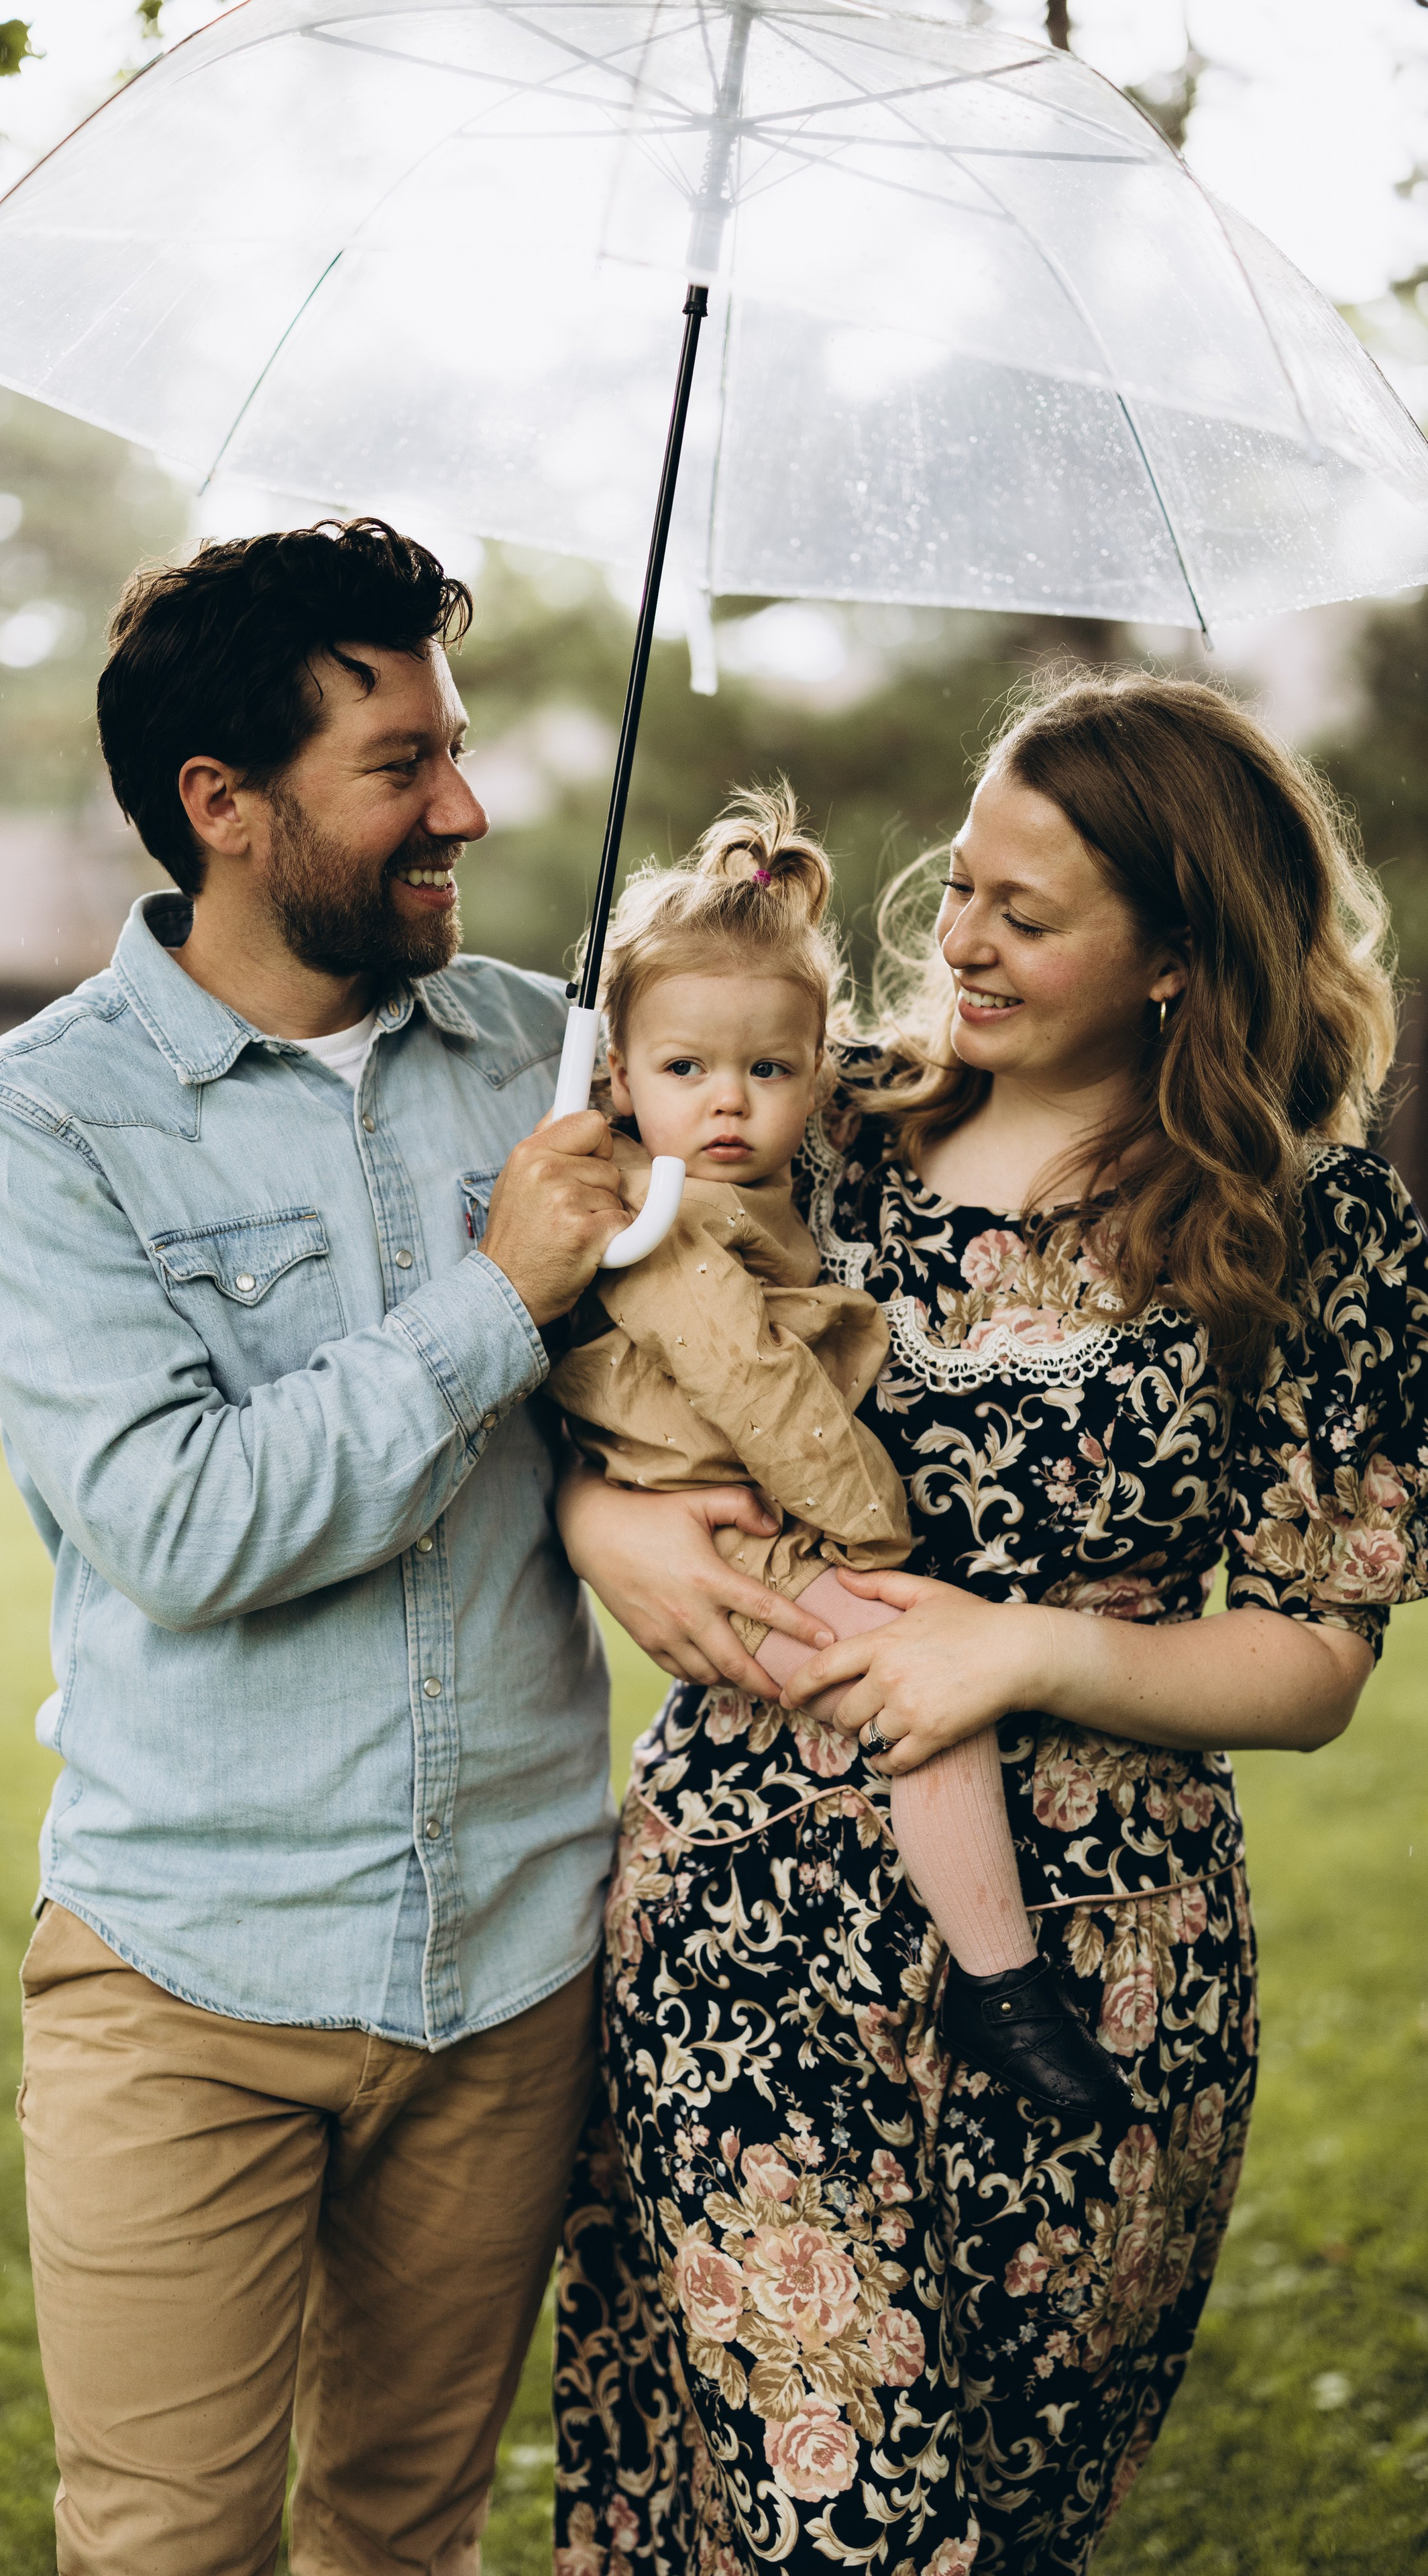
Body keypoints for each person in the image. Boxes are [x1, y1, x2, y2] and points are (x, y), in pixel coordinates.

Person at [0, 518, 778, 2576]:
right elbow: (183, 1523)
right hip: (187, 1975)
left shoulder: (543, 1057)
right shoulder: (38, 1130)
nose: (466, 807)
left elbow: (734, 1271)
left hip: (509, 1962)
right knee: (166, 2546)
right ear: (223, 806)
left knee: (408, 2531)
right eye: (400, 765)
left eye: (456, 749)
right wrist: (499, 1294)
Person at [553, 672, 1427, 2575]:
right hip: (752, 1922)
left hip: (1104, 1971)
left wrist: (1023, 1649)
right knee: (834, 2524)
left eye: (1026, 915)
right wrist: (597, 1514)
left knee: (1014, 2524)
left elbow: (1316, 1656)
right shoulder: (809, 1124)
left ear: (1182, 952)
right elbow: (607, 1336)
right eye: (960, 885)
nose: (956, 940)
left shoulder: (1309, 1225)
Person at [549, 786, 1129, 2118]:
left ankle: (991, 1976)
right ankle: (1000, 1978)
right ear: (619, 1072)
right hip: (747, 1517)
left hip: (742, 1509)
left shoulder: (756, 1180)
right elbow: (760, 1395)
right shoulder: (662, 1218)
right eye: (684, 1071)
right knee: (922, 1700)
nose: (730, 1104)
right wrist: (869, 1532)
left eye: (768, 1071)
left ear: (820, 1071)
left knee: (915, 1701)